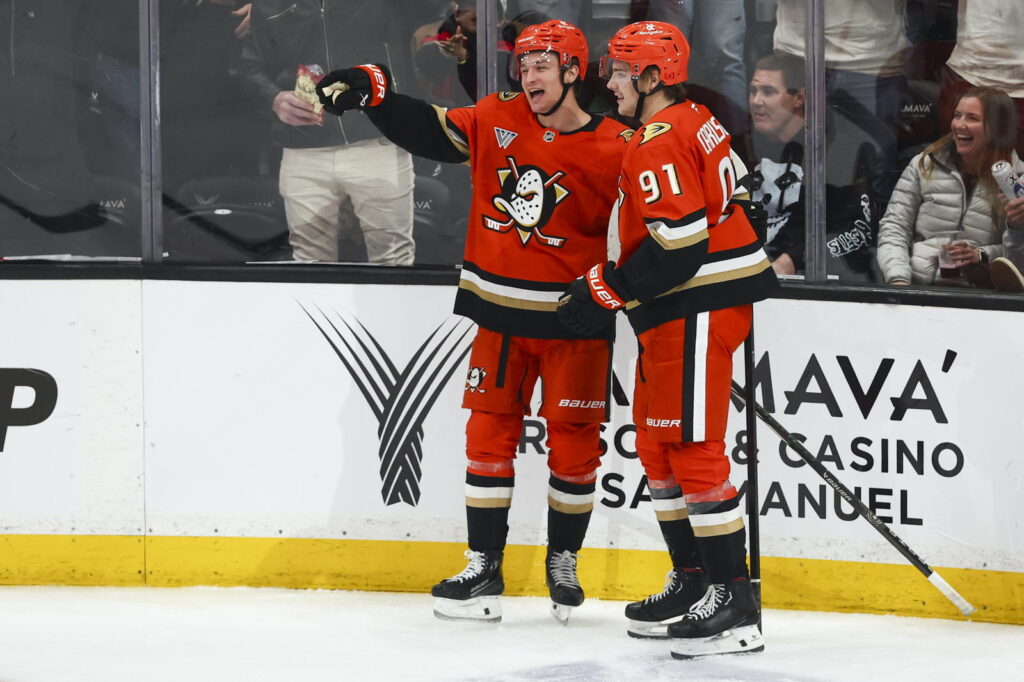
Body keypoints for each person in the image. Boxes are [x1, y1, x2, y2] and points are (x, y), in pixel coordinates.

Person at [316, 20, 629, 623]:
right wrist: (373, 92)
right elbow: (431, 132)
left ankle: (562, 560)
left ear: (572, 72)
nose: (528, 73)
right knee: (486, 446)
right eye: (525, 63)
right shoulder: (497, 116)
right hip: (500, 319)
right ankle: (483, 564)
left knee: (574, 454)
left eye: (544, 63)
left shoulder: (616, 144)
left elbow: (646, 226)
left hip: (576, 327)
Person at [557, 22, 777, 658]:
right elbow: (736, 190)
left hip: (694, 304)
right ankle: (693, 580)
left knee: (692, 445)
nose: (609, 81)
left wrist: (606, 287)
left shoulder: (657, 141)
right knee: (658, 446)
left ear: (653, 77)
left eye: (621, 72)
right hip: (683, 307)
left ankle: (734, 604)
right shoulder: (698, 116)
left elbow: (679, 247)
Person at [238, 0, 416, 265]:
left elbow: (434, 8)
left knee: (393, 260)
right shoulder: (271, 5)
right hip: (305, 147)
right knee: (309, 262)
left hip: (377, 140)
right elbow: (247, 67)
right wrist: (273, 98)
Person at [746, 52, 882, 280]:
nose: (756, 101)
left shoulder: (840, 151)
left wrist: (794, 259)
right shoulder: (744, 142)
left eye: (768, 92)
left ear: (799, 98)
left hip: (813, 281)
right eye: (753, 91)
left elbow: (858, 231)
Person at [877, 87, 1022, 286]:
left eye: (972, 118)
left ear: (997, 128)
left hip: (979, 299)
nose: (959, 125)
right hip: (916, 288)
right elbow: (894, 227)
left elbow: (1017, 264)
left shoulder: (1017, 180)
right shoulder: (924, 164)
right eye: (957, 115)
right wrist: (898, 280)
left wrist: (982, 255)